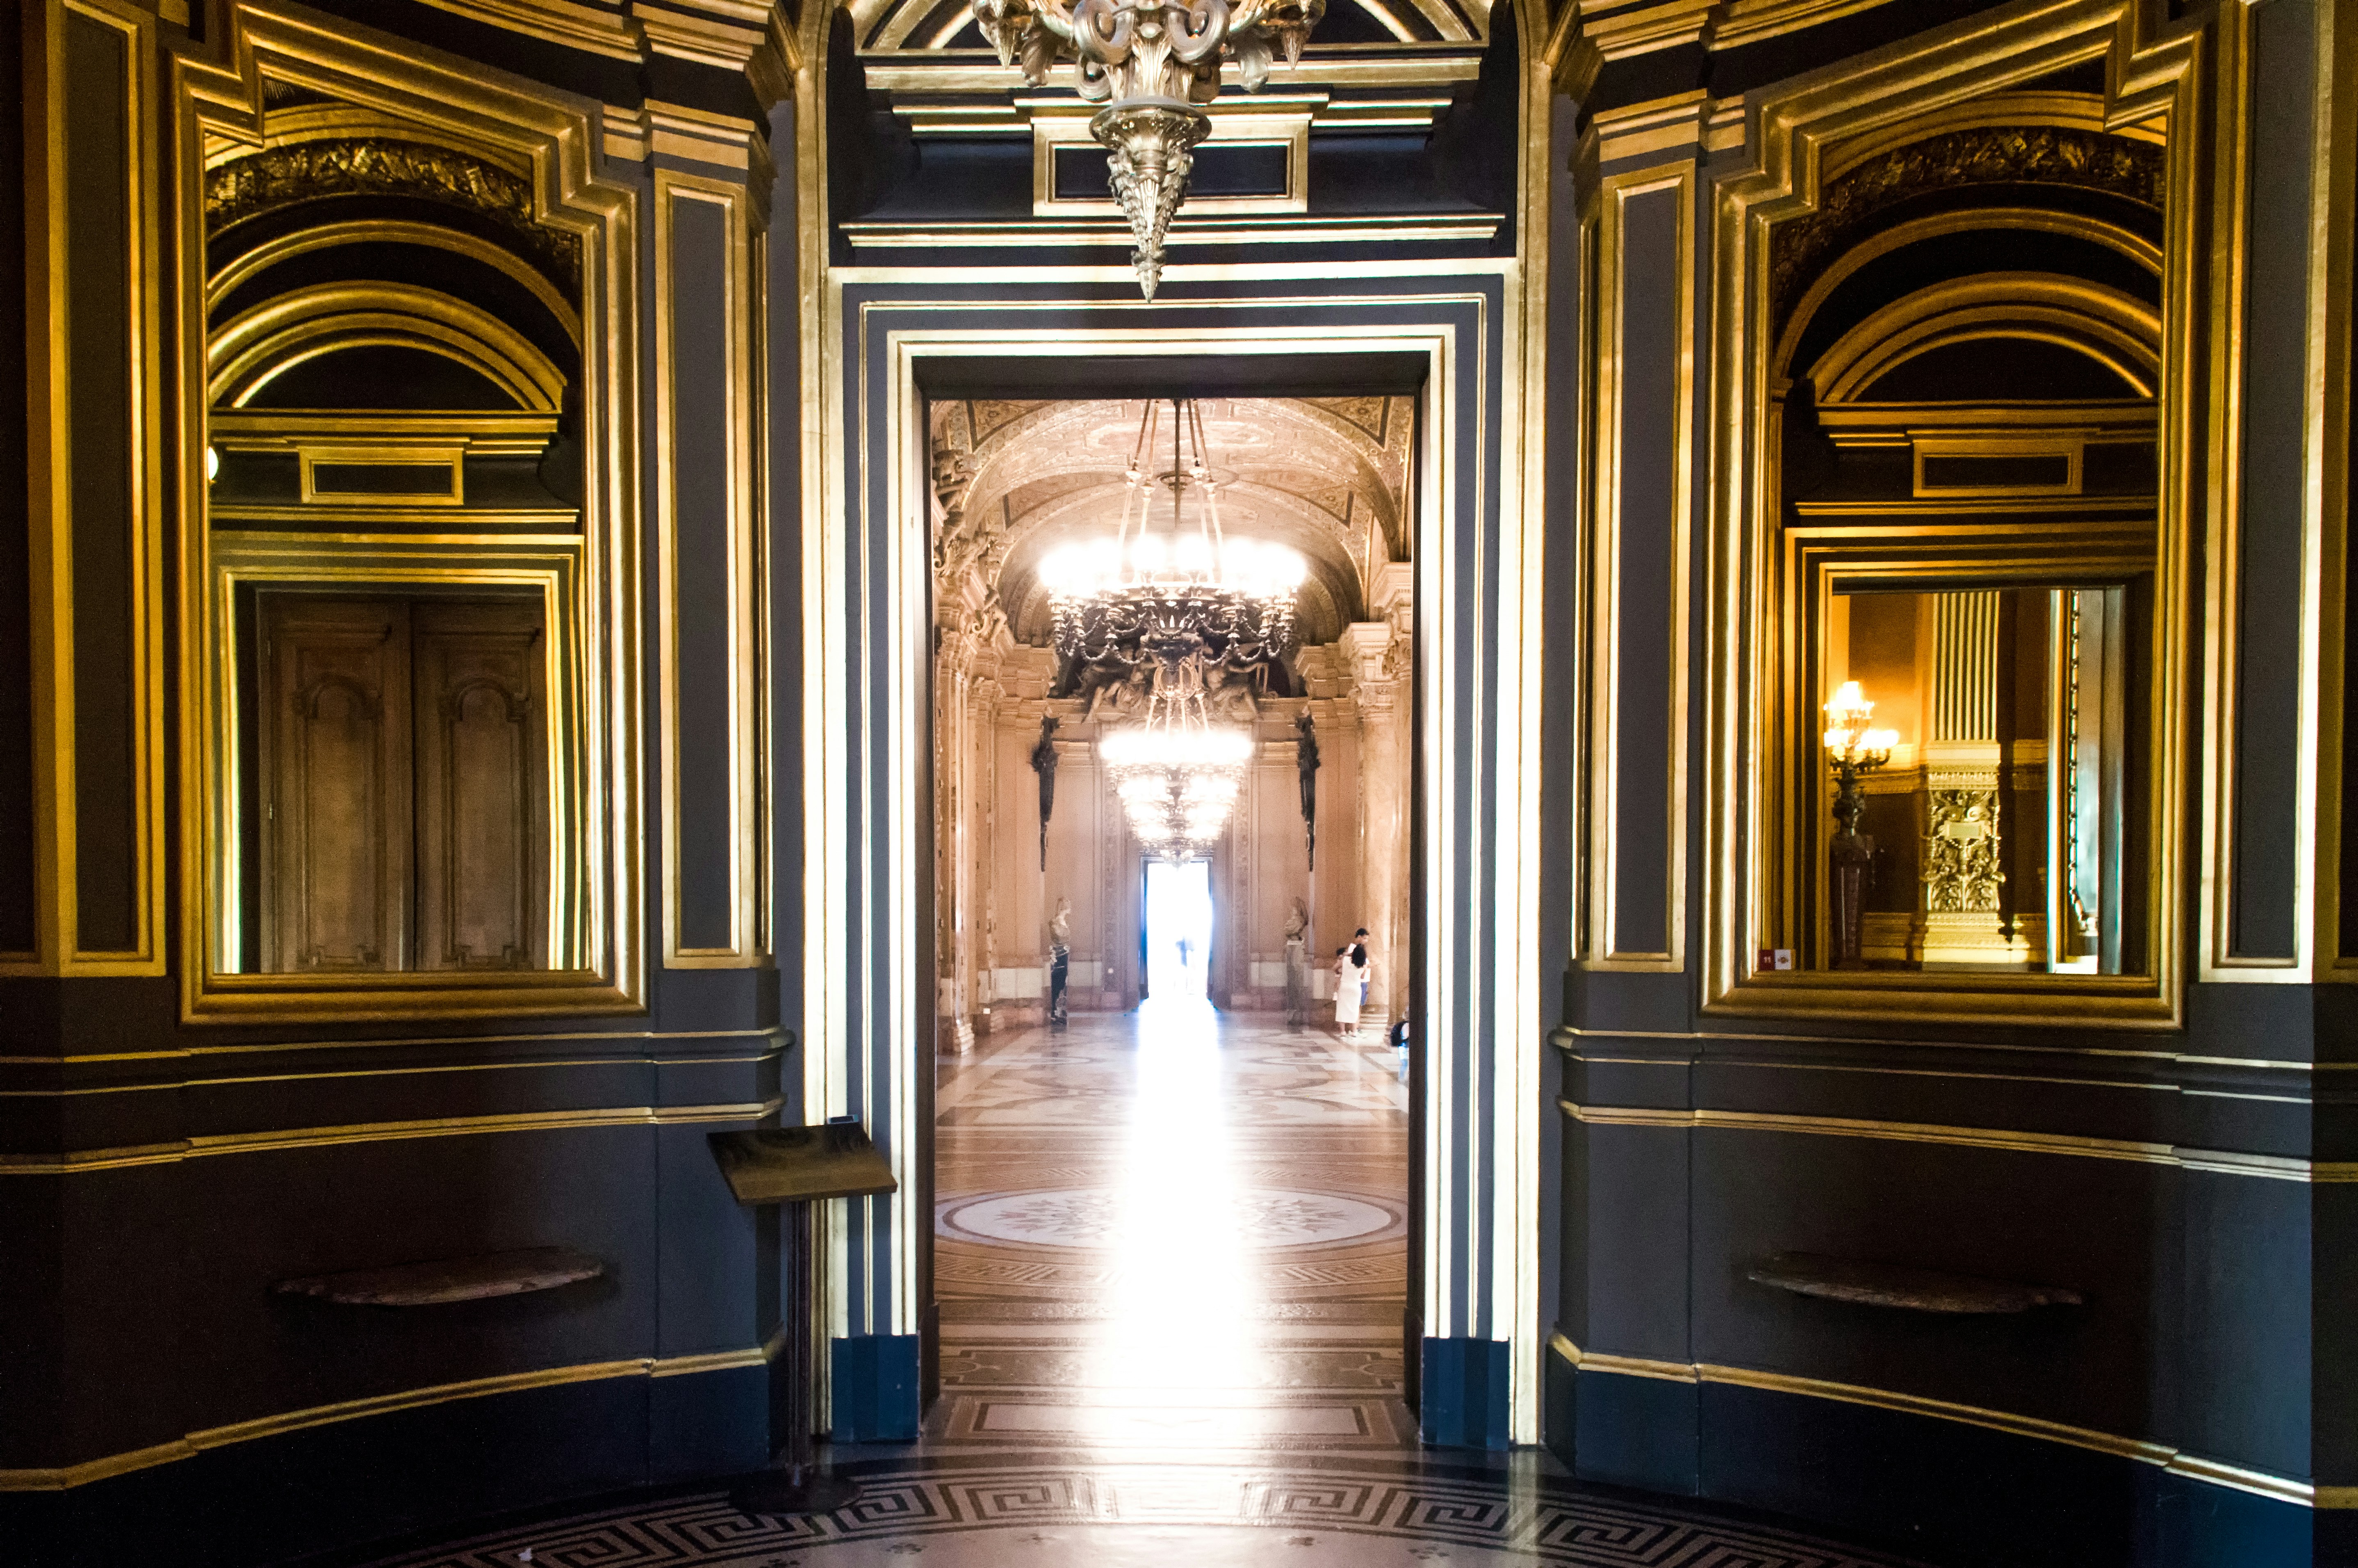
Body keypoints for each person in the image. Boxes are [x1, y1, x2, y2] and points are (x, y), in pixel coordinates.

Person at [1333, 946, 1362, 1039]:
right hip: (1356, 987)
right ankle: (1354, 1032)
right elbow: (1363, 976)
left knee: (1342, 1008)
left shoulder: (1345, 960)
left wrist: (1340, 973)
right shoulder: (1363, 963)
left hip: (1345, 986)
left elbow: (1335, 968)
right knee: (1355, 1009)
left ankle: (1343, 1032)